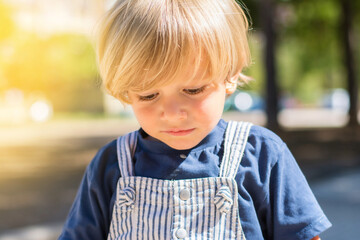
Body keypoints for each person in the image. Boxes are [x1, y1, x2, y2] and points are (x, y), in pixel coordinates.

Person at [59, 0, 331, 239]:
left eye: (193, 90)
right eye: (148, 95)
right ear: (125, 92)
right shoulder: (112, 166)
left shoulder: (262, 155)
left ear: (230, 75)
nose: (173, 113)